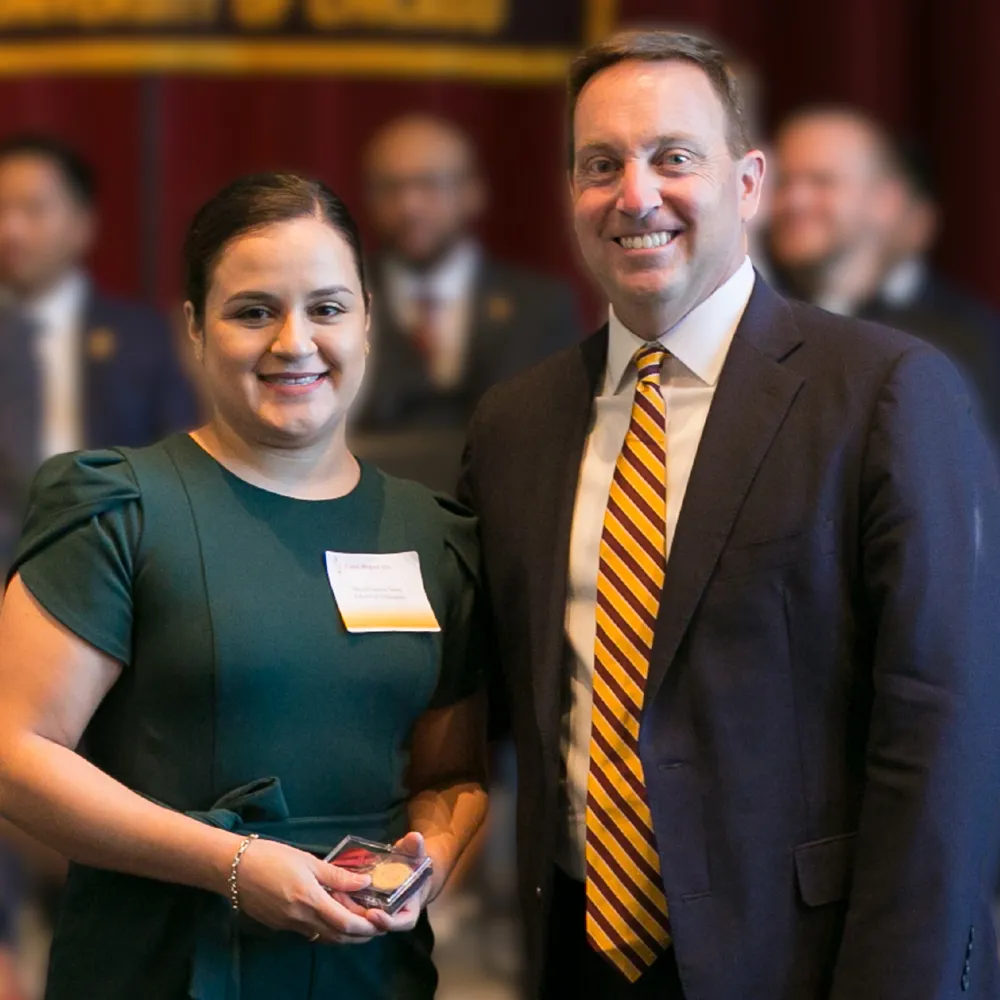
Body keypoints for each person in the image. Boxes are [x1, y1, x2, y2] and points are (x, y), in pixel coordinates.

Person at [458, 29, 1000, 1000]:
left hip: (807, 966)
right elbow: (476, 698)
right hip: (576, 958)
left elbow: (942, 746)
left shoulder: (886, 393)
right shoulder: (514, 426)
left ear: (747, 183)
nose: (634, 195)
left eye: (673, 157)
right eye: (599, 164)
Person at [0, 172, 487, 1000]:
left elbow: (450, 777)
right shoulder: (119, 506)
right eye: (254, 310)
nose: (294, 341)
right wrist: (232, 864)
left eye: (327, 308)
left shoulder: (434, 535)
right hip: (161, 964)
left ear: (368, 320)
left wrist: (430, 861)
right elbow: (17, 756)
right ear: (194, 328)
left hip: (366, 972)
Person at [0, 133, 200, 993]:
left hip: (126, 579)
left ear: (82, 224)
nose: (10, 228)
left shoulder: (142, 336)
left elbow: (181, 461)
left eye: (32, 208)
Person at [352, 114, 580, 492]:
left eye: (429, 184)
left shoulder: (540, 307)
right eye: (390, 187)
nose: (409, 206)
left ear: (474, 191)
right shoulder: (340, 302)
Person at [768, 109, 1000, 439]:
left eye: (821, 181)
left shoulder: (966, 342)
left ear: (886, 201)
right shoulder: (759, 323)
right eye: (783, 182)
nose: (795, 200)